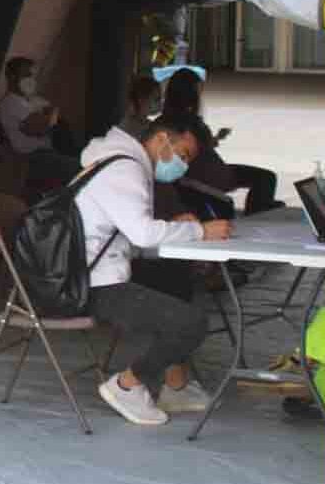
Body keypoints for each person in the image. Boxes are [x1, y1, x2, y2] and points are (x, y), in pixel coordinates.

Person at [77, 114, 233, 425]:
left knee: (173, 278)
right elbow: (143, 235)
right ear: (162, 139)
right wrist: (201, 231)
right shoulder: (125, 169)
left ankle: (176, 385)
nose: (183, 166)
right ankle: (127, 385)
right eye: (183, 155)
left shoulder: (116, 160)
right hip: (90, 285)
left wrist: (173, 227)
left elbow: (127, 237)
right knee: (191, 323)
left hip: (94, 271)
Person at [161, 68, 283, 216]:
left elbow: (199, 145)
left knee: (263, 178)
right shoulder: (189, 121)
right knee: (266, 178)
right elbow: (198, 146)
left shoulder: (167, 119)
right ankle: (256, 211)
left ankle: (257, 208)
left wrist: (216, 138)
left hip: (205, 172)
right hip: (211, 174)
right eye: (198, 91)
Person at [0, 57, 80, 183]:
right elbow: (40, 128)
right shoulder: (10, 102)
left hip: (48, 153)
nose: (31, 79)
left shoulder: (32, 100)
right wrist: (52, 112)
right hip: (32, 158)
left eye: (33, 75)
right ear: (12, 77)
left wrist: (50, 114)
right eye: (26, 75)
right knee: (79, 170)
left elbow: (57, 118)